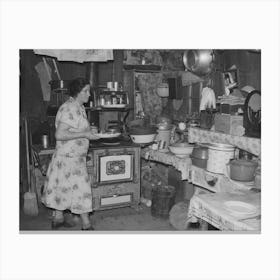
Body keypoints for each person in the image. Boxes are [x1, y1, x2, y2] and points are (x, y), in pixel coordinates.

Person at [41, 77, 99, 230]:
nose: (89, 94)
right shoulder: (69, 108)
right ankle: (86, 224)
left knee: (63, 188)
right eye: (85, 91)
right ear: (77, 92)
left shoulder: (79, 107)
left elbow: (76, 129)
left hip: (73, 157)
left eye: (89, 91)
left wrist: (88, 131)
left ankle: (58, 219)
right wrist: (85, 134)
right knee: (81, 189)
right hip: (68, 158)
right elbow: (59, 135)